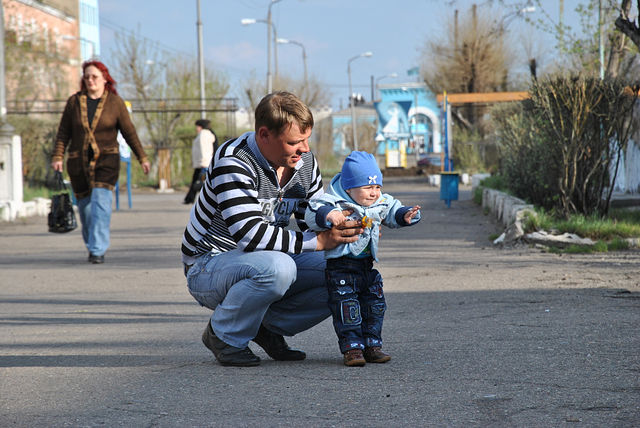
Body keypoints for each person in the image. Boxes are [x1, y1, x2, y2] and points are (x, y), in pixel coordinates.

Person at [181, 91, 363, 367]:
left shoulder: (303, 163)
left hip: (262, 257)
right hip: (208, 264)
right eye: (294, 142)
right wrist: (319, 242)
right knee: (278, 268)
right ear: (264, 135)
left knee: (345, 267)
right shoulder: (234, 160)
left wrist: (341, 225)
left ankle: (262, 327)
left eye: (306, 139)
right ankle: (224, 335)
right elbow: (250, 235)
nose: (304, 149)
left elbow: (309, 216)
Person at [304, 151, 421, 366]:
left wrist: (404, 215)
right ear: (349, 187)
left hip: (367, 267)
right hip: (341, 269)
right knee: (347, 308)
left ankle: (372, 345)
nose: (374, 193)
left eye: (377, 187)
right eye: (367, 187)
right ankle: (352, 348)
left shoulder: (378, 202)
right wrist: (329, 215)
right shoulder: (335, 201)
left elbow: (392, 208)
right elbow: (312, 212)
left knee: (374, 305)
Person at [51, 60, 150, 264]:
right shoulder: (74, 102)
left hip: (107, 162)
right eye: (86, 77)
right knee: (86, 209)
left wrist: (142, 157)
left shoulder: (115, 102)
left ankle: (98, 249)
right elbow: (63, 133)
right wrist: (58, 156)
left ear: (105, 79)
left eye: (94, 76)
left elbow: (129, 132)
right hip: (78, 164)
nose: (90, 80)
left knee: (101, 204)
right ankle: (92, 245)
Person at [183, 119, 217, 204]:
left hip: (204, 163)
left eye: (197, 126)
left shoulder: (204, 134)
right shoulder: (205, 134)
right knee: (197, 181)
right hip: (202, 163)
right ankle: (189, 198)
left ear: (200, 126)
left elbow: (204, 150)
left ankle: (194, 199)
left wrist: (204, 163)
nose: (196, 128)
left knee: (203, 182)